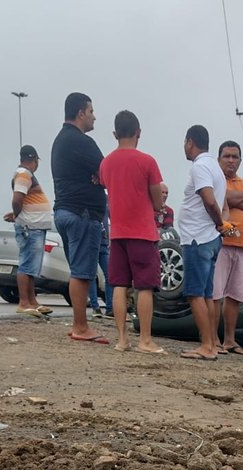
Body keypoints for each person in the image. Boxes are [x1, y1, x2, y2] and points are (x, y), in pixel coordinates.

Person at [98, 110, 167, 354]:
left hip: (117, 233)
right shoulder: (147, 161)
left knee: (119, 284)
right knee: (144, 286)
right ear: (138, 132)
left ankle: (122, 339)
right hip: (143, 232)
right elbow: (158, 201)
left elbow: (109, 187)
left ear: (115, 134)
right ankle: (145, 340)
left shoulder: (106, 163)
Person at [52, 92, 109, 344]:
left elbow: (100, 173)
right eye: (91, 110)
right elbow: (106, 173)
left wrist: (97, 176)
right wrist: (99, 178)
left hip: (65, 211)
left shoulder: (60, 140)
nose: (94, 116)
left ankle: (79, 324)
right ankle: (80, 326)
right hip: (82, 213)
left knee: (79, 269)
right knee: (82, 272)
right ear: (81, 113)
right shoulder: (82, 142)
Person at [177, 125, 228, 361]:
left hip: (198, 237)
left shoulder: (200, 167)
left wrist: (219, 222)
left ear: (190, 141)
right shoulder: (215, 167)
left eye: (185, 143)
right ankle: (211, 344)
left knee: (195, 294)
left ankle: (207, 346)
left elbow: (208, 199)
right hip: (209, 237)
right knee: (206, 294)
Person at [211, 140, 243, 355]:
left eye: (235, 156)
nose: (231, 160)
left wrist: (232, 199)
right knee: (215, 293)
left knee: (235, 295)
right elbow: (217, 198)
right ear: (219, 158)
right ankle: (212, 339)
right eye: (227, 156)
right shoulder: (214, 179)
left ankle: (229, 340)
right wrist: (238, 198)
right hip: (221, 242)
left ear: (240, 160)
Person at [2, 144, 54, 318]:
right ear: (35, 160)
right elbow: (17, 200)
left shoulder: (25, 174)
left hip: (35, 226)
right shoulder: (24, 174)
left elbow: (22, 201)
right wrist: (18, 214)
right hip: (30, 227)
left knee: (32, 266)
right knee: (27, 264)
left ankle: (32, 302)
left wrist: (17, 214)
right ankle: (24, 302)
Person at [87, 211, 114, 318]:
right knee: (92, 275)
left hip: (104, 242)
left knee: (110, 276)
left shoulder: (106, 202)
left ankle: (110, 308)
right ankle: (95, 307)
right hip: (91, 242)